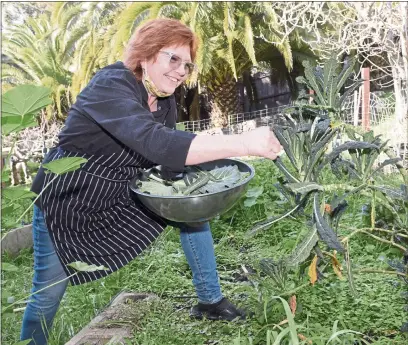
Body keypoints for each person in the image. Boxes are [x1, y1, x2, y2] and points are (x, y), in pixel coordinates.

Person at [20, 18, 283, 344]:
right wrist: (242, 143)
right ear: (145, 54)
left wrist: (198, 185)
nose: (181, 71)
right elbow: (154, 141)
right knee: (47, 291)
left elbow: (169, 155)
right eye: (173, 58)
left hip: (116, 193)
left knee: (192, 212)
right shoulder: (111, 84)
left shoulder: (165, 102)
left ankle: (210, 301)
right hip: (66, 200)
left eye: (187, 64)